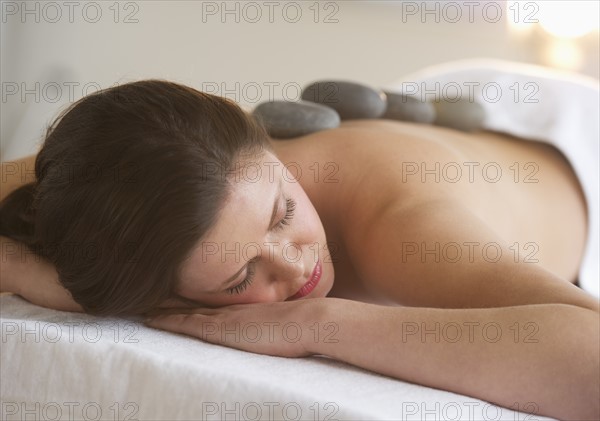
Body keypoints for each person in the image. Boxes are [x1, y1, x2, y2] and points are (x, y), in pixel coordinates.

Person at [0, 80, 598, 420]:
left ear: (268, 150)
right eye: (240, 279)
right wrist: (50, 281)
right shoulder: (105, 175)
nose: (297, 263)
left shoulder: (405, 230)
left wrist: (321, 322)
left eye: (284, 211)